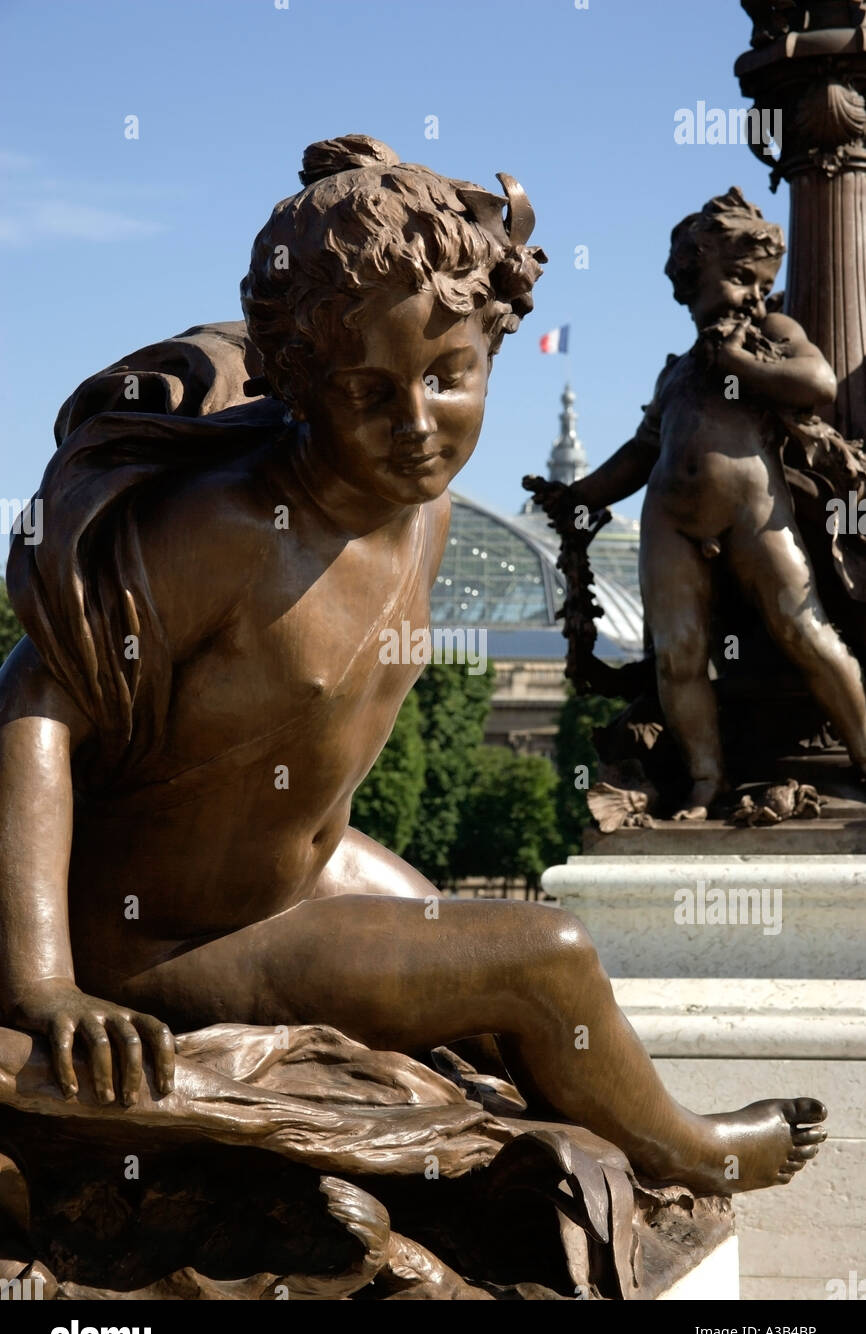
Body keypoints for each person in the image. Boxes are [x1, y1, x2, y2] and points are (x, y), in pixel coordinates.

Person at [0, 144, 825, 1195]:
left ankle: (554, 1140)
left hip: (309, 865)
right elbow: (34, 696)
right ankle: (693, 1151)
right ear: (296, 381)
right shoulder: (232, 529)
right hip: (169, 933)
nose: (416, 424)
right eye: (368, 390)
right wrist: (44, 983)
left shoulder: (422, 507)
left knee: (476, 998)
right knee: (545, 956)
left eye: (448, 377)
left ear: (492, 346)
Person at [561, 187, 866, 820]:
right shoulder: (675, 373)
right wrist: (578, 495)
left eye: (759, 282)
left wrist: (740, 360)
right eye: (736, 279)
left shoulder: (771, 334)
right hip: (668, 519)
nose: (753, 295)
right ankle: (705, 782)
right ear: (692, 280)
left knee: (806, 631)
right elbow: (641, 452)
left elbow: (818, 382)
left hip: (756, 508)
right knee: (679, 657)